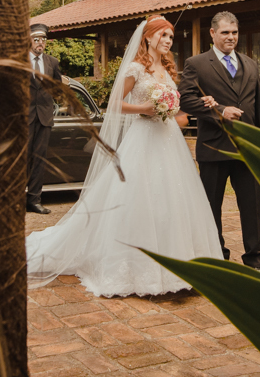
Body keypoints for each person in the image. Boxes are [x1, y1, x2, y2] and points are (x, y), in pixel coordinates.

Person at [26, 16, 223, 297]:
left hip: (169, 143)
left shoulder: (167, 69)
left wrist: (186, 110)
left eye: (170, 37)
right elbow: (114, 104)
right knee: (140, 200)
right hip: (143, 141)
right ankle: (138, 267)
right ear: (148, 37)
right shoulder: (135, 68)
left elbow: (177, 113)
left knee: (173, 201)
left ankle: (178, 266)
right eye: (163, 35)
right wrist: (143, 108)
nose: (168, 41)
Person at [179, 11, 260, 270]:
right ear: (212, 33)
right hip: (213, 148)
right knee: (211, 207)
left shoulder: (251, 64)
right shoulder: (196, 63)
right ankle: (218, 254)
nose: (231, 37)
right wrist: (219, 111)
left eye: (234, 32)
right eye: (225, 33)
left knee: (252, 208)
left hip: (247, 150)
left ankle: (254, 260)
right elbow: (185, 99)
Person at [27, 23, 62, 215]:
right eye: (37, 39)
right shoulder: (19, 60)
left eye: (44, 40)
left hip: (45, 117)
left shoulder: (52, 62)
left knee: (39, 159)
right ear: (30, 40)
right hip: (23, 117)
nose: (41, 43)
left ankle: (34, 200)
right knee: (21, 159)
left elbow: (58, 89)